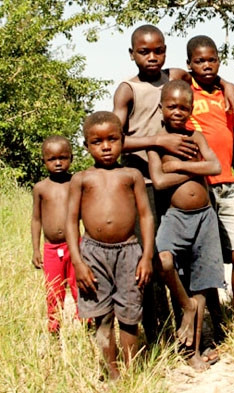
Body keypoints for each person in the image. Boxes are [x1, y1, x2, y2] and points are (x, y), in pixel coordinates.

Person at [112, 24, 234, 343]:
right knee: (155, 260)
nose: (152, 57)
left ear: (166, 51)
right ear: (132, 54)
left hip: (180, 184)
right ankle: (159, 334)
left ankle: (211, 327)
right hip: (145, 182)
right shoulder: (127, 89)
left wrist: (228, 84)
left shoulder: (175, 77)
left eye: (158, 50)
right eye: (144, 52)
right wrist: (159, 140)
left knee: (198, 258)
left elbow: (205, 72)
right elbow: (114, 140)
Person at [66, 111, 154, 379]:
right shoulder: (81, 179)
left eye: (112, 139)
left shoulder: (132, 175)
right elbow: (71, 222)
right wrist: (78, 263)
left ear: (122, 140)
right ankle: (112, 373)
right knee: (102, 315)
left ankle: (131, 373)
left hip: (129, 251)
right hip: (93, 253)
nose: (106, 147)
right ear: (86, 145)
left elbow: (146, 215)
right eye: (97, 142)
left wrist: (147, 256)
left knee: (129, 315)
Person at [148, 79, 224, 370]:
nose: (178, 112)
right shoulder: (158, 142)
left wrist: (179, 166)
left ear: (192, 109)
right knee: (164, 261)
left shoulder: (197, 136)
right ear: (161, 107)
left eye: (185, 107)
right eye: (172, 106)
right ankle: (186, 306)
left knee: (202, 282)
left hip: (205, 216)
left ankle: (193, 351)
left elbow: (215, 167)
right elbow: (159, 180)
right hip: (176, 217)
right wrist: (193, 171)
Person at [185, 35, 234, 313]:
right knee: (206, 258)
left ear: (219, 61)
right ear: (189, 64)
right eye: (199, 61)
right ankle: (213, 316)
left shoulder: (228, 96)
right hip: (200, 186)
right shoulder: (184, 90)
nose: (207, 65)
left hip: (229, 186)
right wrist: (227, 80)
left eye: (212, 59)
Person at [31, 135, 79, 334]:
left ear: (71, 158)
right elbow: (36, 219)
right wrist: (36, 249)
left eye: (63, 157)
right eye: (52, 159)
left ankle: (87, 324)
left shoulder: (76, 183)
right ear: (44, 161)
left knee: (80, 288)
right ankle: (54, 330)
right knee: (53, 291)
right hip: (51, 249)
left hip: (75, 246)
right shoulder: (41, 188)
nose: (58, 163)